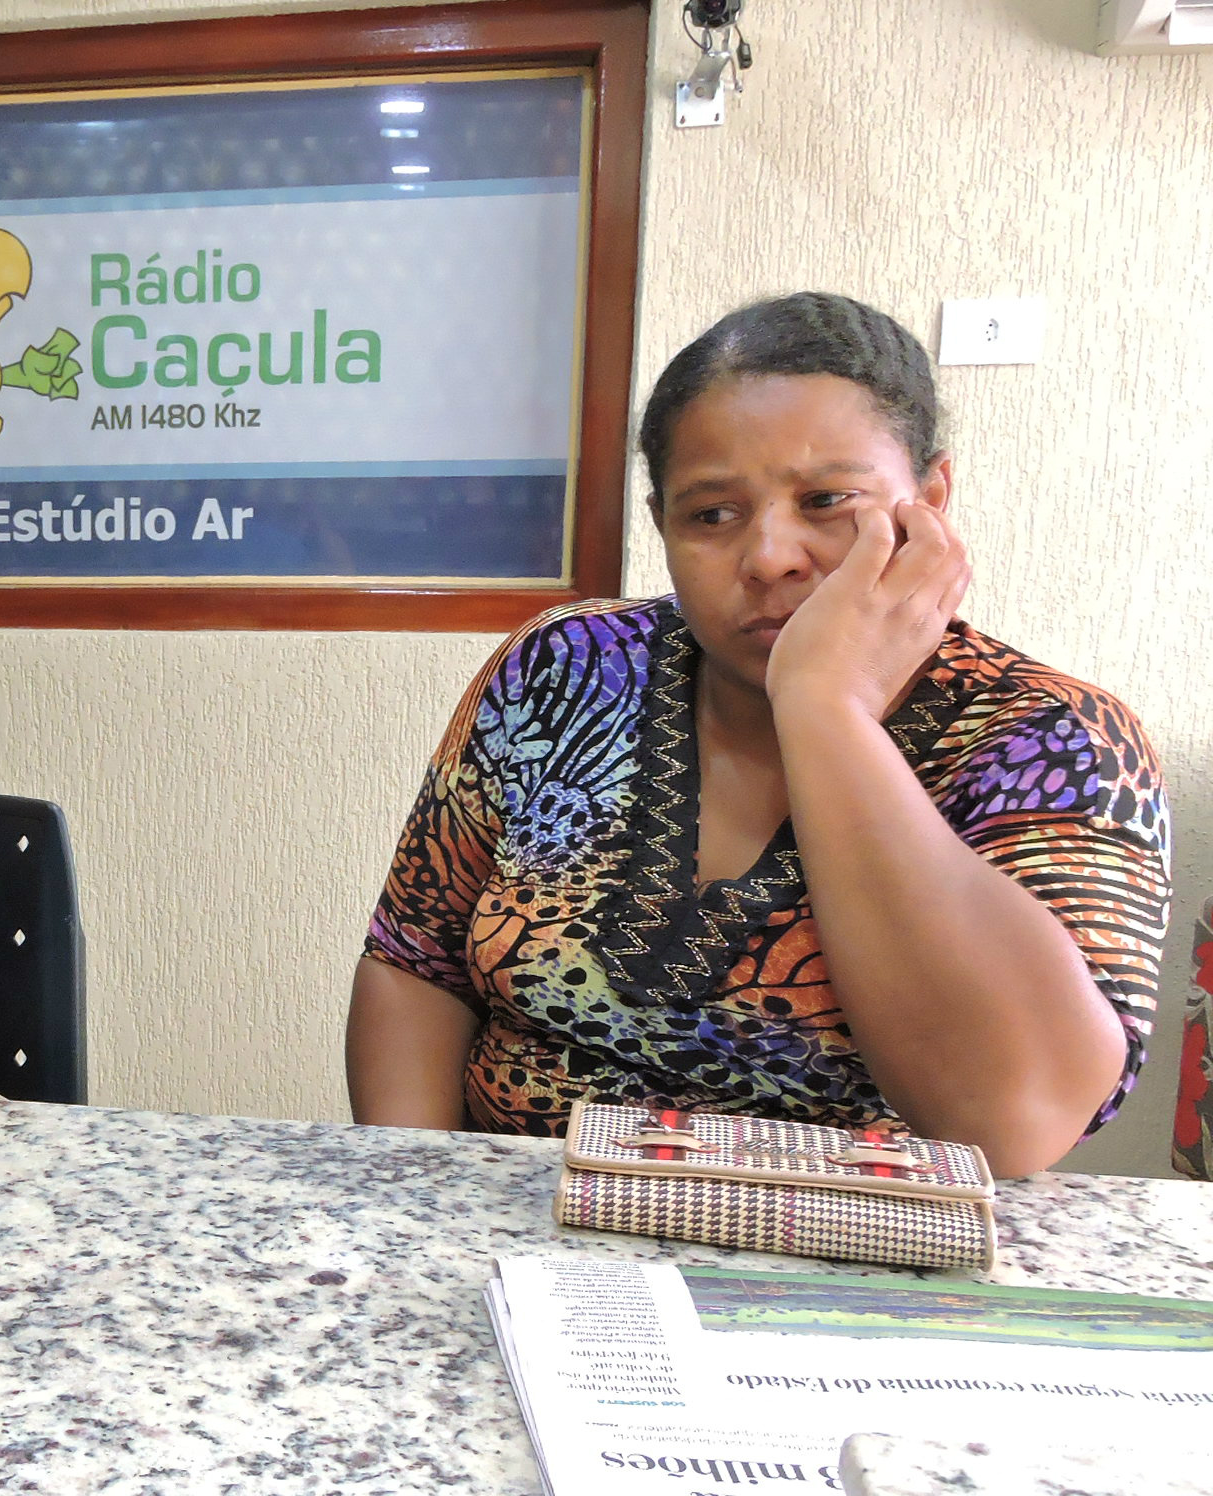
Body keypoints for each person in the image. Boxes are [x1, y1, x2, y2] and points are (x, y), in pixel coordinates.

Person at [346, 292, 1168, 1177]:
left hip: (858, 1278)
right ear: (661, 522)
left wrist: (826, 707)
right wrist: (417, 1195)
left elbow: (1011, 1121)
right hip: (519, 1238)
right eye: (713, 514)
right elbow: (416, 961)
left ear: (930, 500)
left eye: (825, 501)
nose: (770, 555)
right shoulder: (568, 666)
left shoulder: (1050, 739)